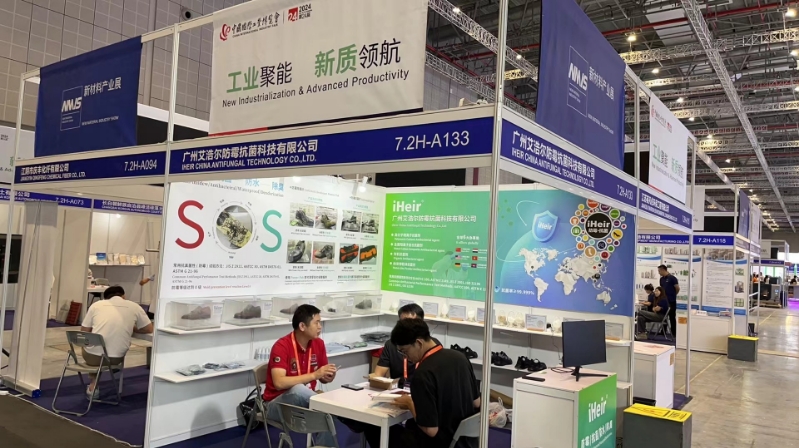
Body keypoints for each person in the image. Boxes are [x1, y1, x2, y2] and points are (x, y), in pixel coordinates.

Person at [390, 319, 480, 448]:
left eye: (405, 351)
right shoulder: (460, 357)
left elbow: (430, 430)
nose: (405, 357)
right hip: (467, 441)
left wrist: (410, 403)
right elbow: (476, 402)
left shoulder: (423, 374)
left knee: (379, 432)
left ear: (419, 343)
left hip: (441, 443)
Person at [262, 305, 337, 447]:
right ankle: (327, 406)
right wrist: (315, 374)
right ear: (302, 326)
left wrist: (327, 376)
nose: (320, 326)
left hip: (306, 400)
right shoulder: (281, 346)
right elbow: (279, 383)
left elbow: (322, 377)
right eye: (316, 323)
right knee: (299, 390)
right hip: (276, 405)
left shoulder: (319, 344)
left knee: (326, 414)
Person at [80, 285, 153, 400]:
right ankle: (114, 370)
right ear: (123, 296)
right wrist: (132, 328)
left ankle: (93, 385)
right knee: (111, 348)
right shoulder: (134, 306)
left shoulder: (96, 305)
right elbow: (149, 329)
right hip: (116, 357)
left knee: (94, 347)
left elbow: (84, 332)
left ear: (105, 298)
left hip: (92, 358)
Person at [374, 303, 441, 381]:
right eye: (404, 322)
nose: (408, 327)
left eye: (413, 322)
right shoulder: (391, 344)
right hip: (397, 387)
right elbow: (378, 375)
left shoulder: (432, 345)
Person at [658, 265, 679, 336]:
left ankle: (674, 333)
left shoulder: (672, 278)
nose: (659, 273)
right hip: (664, 301)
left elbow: (677, 288)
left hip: (671, 301)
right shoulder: (661, 279)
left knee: (672, 317)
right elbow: (661, 289)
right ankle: (663, 331)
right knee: (664, 316)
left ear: (663, 270)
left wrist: (673, 295)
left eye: (659, 271)